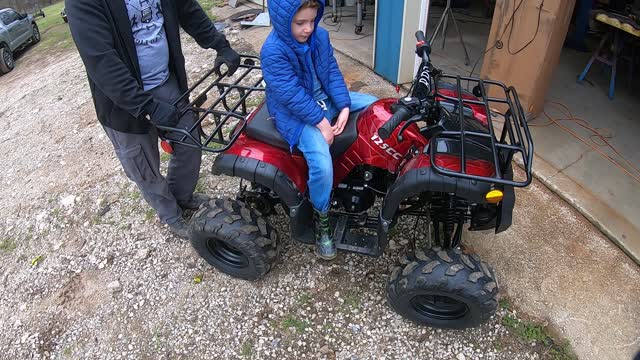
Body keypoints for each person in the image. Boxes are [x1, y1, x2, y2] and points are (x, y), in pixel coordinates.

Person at [65, 0, 240, 238]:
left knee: (189, 140)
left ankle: (182, 196)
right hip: (121, 103)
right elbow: (100, 59)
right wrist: (147, 106)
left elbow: (186, 9)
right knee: (143, 165)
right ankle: (170, 214)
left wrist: (220, 45)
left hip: (165, 82)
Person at [261, 0, 377, 259]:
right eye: (300, 23)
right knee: (322, 163)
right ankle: (321, 220)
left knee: (378, 107)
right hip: (295, 114)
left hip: (325, 98)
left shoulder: (320, 37)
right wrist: (323, 123)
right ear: (283, 21)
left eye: (312, 21)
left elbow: (332, 73)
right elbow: (291, 96)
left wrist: (345, 105)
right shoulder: (273, 51)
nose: (308, 29)